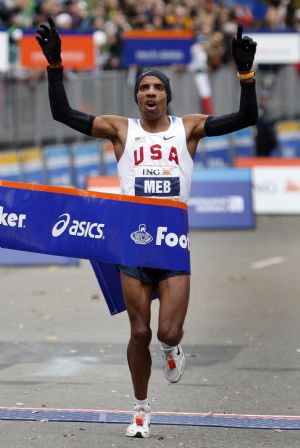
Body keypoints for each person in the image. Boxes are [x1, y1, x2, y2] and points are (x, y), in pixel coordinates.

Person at [36, 19, 258, 438]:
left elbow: (247, 116)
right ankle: (140, 408)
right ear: (137, 97)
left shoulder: (187, 128)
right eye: (143, 88)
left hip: (171, 244)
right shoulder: (122, 130)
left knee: (166, 330)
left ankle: (173, 349)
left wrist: (245, 75)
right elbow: (62, 113)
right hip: (131, 242)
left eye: (157, 88)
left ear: (167, 97)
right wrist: (54, 64)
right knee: (138, 332)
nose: (150, 92)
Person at [255, 90, 278, 157]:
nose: (265, 101)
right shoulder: (258, 110)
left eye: (266, 99)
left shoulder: (267, 110)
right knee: (261, 156)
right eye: (263, 99)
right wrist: (270, 120)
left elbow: (274, 120)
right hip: (261, 138)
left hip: (268, 139)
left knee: (267, 156)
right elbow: (261, 122)